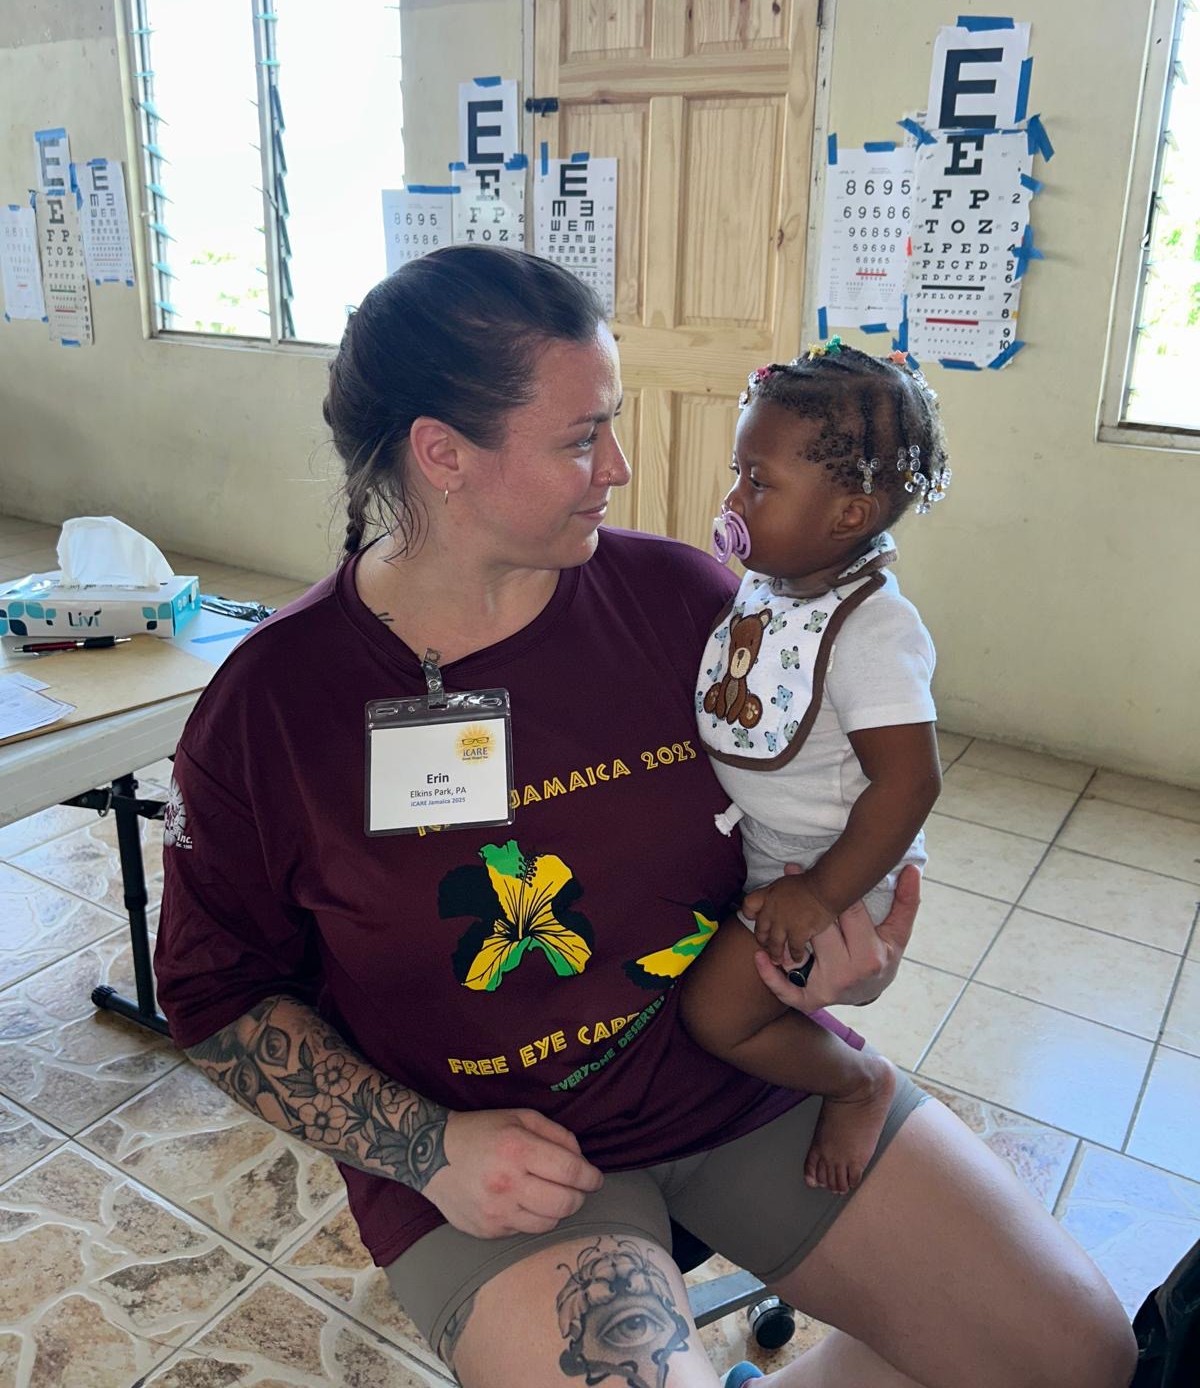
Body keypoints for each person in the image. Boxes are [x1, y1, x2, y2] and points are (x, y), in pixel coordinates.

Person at [155, 245, 1135, 1388]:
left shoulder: (695, 608)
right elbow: (214, 994)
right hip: (497, 1152)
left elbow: (840, 806)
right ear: (442, 454)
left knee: (1077, 1354)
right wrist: (422, 1148)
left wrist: (838, 945)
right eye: (581, 437)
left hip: (742, 1074)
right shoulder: (277, 703)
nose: (619, 466)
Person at [681, 342, 946, 1196]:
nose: (732, 500)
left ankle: (857, 1082)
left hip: (833, 871)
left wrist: (824, 894)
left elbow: (911, 783)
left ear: (847, 514)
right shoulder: (775, 584)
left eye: (757, 482)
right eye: (738, 474)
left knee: (714, 1015)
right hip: (772, 848)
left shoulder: (872, 630)